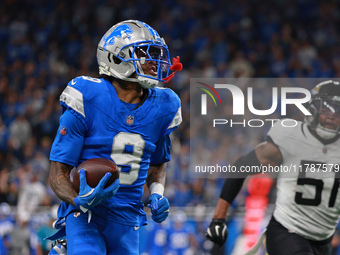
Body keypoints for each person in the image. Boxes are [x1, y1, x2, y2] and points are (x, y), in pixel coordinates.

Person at [47, 20, 182, 255]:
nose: (155, 62)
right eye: (145, 54)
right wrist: (78, 200)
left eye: (157, 54)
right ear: (116, 57)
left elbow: (157, 164)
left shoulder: (165, 106)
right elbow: (57, 173)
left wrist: (157, 193)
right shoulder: (87, 96)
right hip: (86, 216)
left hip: (128, 220)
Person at [206, 80, 340, 255]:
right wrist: (218, 219)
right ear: (314, 109)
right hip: (287, 232)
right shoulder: (293, 140)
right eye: (325, 109)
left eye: (337, 110)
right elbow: (241, 166)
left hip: (323, 240)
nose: (331, 115)